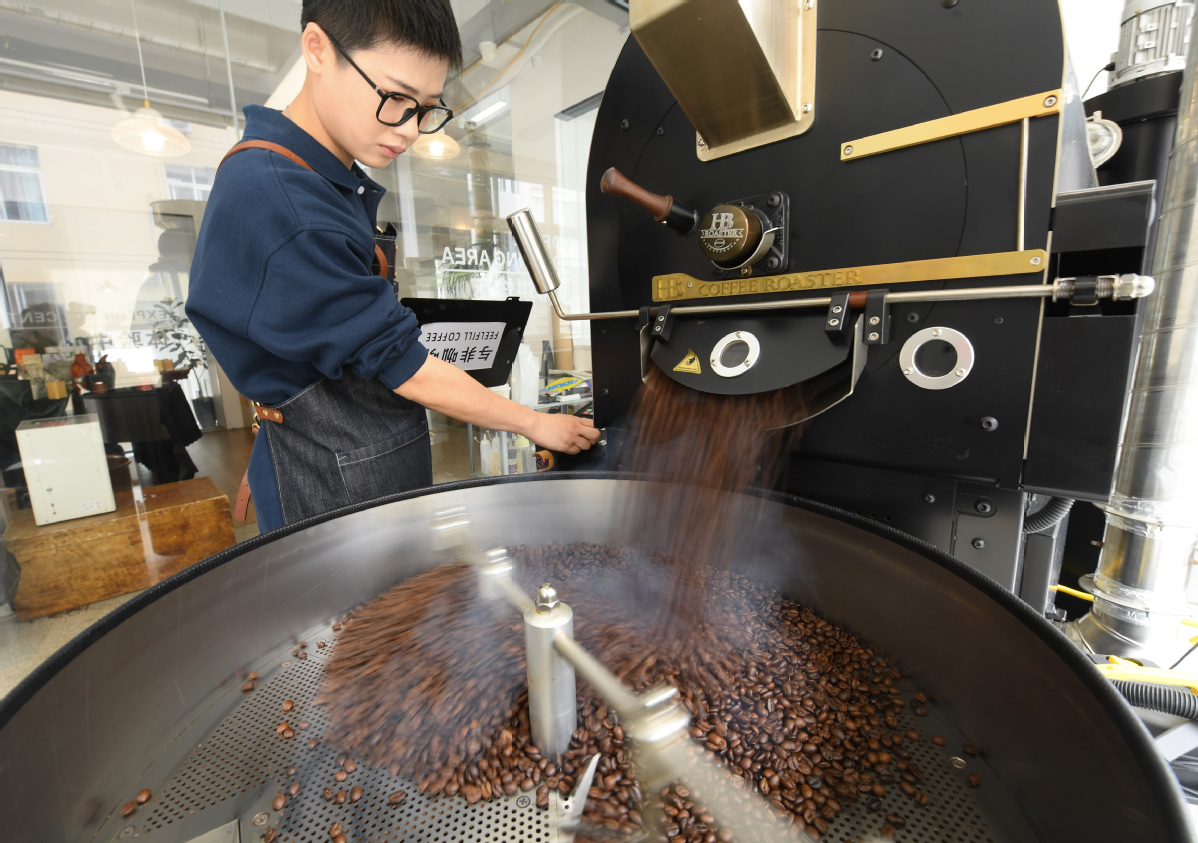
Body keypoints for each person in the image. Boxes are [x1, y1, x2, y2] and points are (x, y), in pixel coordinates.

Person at [187, 0, 599, 531]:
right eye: (395, 98)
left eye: (426, 106)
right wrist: (533, 423)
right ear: (317, 49)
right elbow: (400, 363)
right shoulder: (282, 199)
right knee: (355, 612)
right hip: (330, 471)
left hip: (363, 450)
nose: (410, 129)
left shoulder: (323, 179)